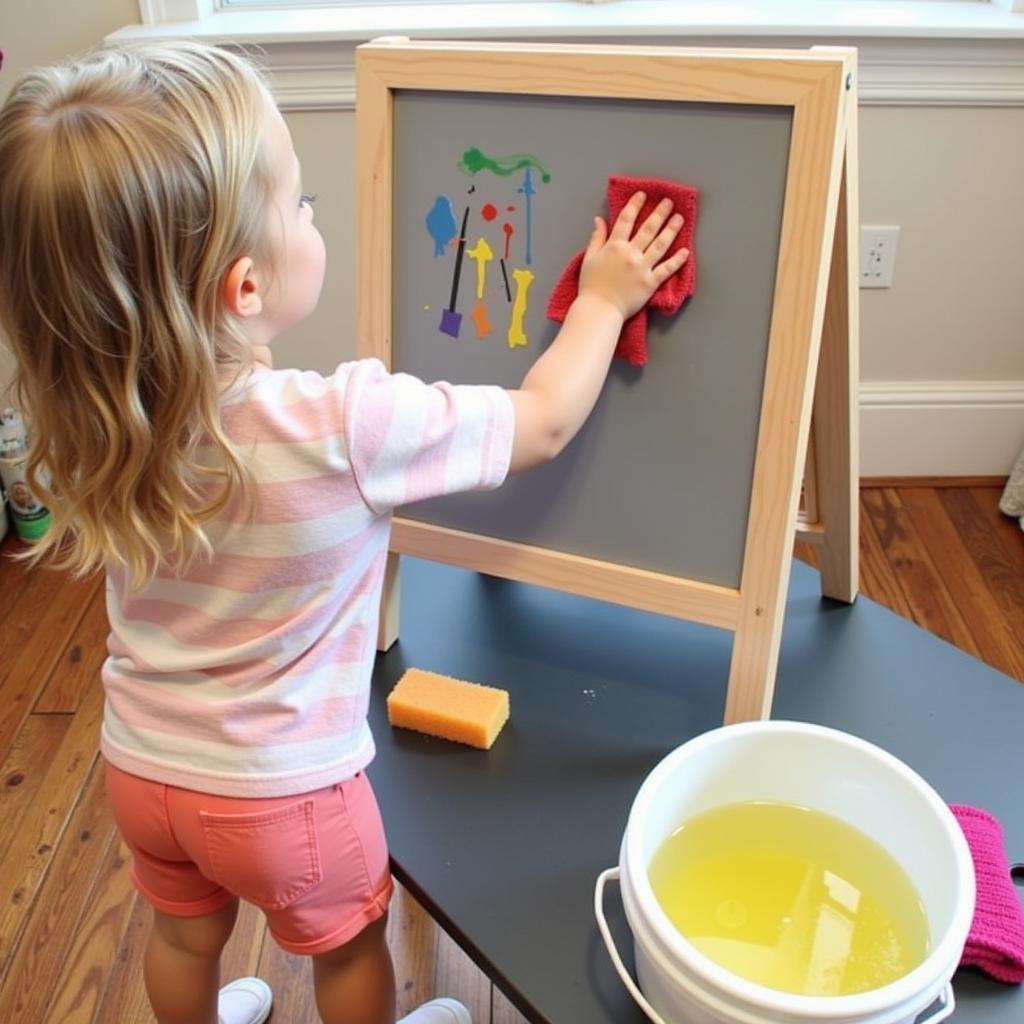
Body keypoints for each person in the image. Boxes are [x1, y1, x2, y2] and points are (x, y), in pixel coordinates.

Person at [0, 40, 688, 1024]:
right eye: (300, 203)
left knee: (185, 933)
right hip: (287, 795)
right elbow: (538, 422)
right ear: (245, 287)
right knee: (348, 942)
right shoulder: (341, 423)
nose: (313, 215)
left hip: (144, 767)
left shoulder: (96, 428)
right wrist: (603, 300)